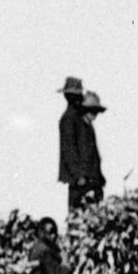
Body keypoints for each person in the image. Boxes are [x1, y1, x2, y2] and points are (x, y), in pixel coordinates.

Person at [57, 80, 105, 216]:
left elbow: (92, 154)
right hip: (81, 181)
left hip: (90, 180)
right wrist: (79, 176)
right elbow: (69, 151)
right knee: (81, 219)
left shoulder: (81, 120)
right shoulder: (69, 119)